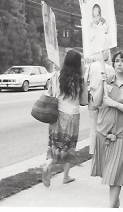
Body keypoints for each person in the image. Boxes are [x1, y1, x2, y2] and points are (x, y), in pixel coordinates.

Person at [91, 50, 123, 208]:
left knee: (115, 174)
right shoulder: (107, 81)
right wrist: (101, 84)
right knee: (109, 175)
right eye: (117, 61)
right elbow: (96, 103)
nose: (120, 64)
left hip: (122, 136)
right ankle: (115, 203)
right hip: (104, 134)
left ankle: (111, 206)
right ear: (113, 64)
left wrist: (116, 105)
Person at [42, 49, 88, 187]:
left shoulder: (56, 76)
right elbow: (84, 101)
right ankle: (66, 176)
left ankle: (48, 165)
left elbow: (50, 93)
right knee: (69, 147)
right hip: (72, 116)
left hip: (57, 115)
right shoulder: (80, 80)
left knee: (54, 144)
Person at [84, 50, 115, 155]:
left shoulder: (90, 66)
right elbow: (112, 83)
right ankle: (102, 149)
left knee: (93, 126)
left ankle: (93, 150)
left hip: (92, 96)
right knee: (104, 126)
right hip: (104, 98)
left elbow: (85, 80)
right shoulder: (110, 69)